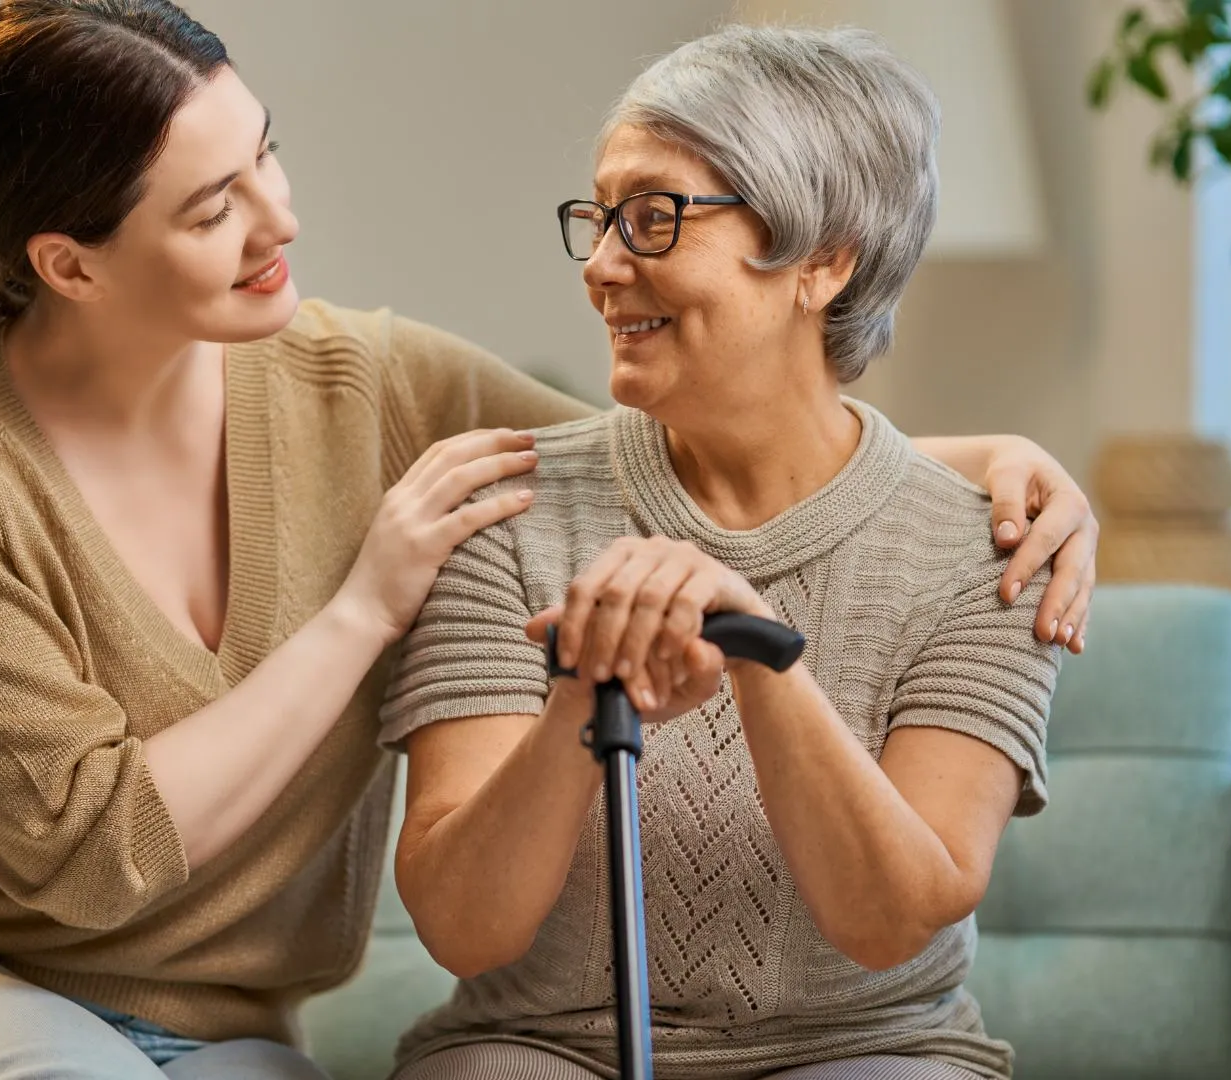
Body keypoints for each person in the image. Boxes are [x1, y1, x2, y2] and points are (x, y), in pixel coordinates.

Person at [0, 4, 1099, 1079]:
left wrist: (988, 473)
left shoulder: (370, 382)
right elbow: (95, 863)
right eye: (210, 207)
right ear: (70, 264)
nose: (280, 219)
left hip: (234, 1032)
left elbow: (690, 456)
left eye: (264, 155)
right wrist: (364, 605)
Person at [382, 23, 1070, 1080]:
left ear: (824, 260)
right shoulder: (505, 511)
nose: (605, 266)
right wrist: (581, 690)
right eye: (602, 217)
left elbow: (893, 922)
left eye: (656, 218)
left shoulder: (988, 549)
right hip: (542, 1048)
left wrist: (757, 650)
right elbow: (466, 932)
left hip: (869, 1049)